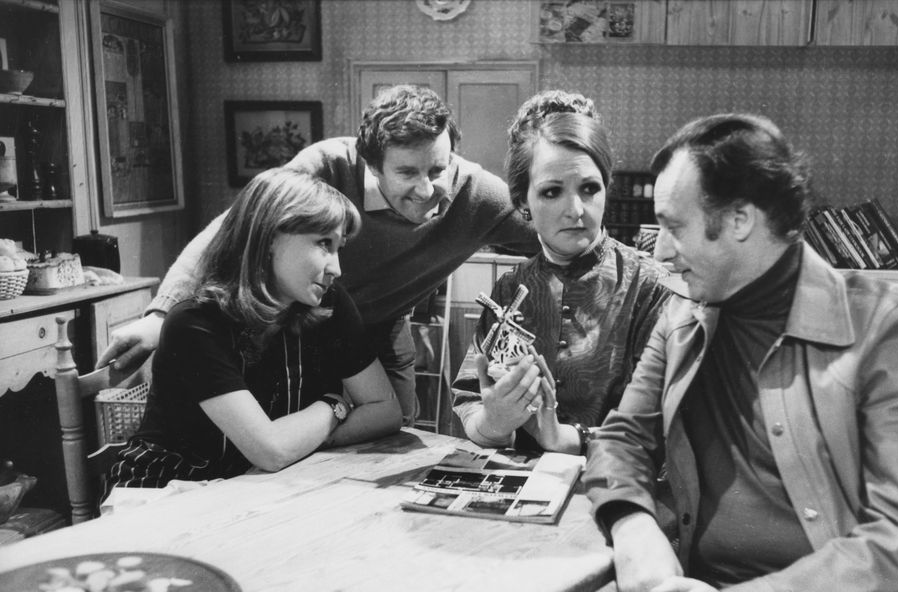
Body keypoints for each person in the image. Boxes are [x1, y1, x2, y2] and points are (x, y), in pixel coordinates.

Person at [544, 114, 898, 592]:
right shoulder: (683, 316)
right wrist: (632, 524)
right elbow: (623, 438)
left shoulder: (889, 332)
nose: (659, 249)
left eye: (673, 226)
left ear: (740, 220)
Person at [96, 85, 537, 426]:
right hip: (299, 326)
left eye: (438, 170)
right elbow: (230, 229)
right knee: (293, 442)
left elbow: (555, 235)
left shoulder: (480, 195)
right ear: (371, 164)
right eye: (407, 172)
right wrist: (161, 313)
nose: (427, 190)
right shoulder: (325, 166)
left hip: (380, 331)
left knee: (394, 430)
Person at [107, 168, 401, 490]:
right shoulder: (195, 322)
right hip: (170, 490)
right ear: (271, 237)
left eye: (338, 248)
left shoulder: (327, 303)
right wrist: (335, 405)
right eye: (323, 244)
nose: (336, 268)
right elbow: (271, 450)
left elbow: (386, 410)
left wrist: (302, 441)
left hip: (262, 484)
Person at [452, 90, 672, 454]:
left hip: (615, 491)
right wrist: (494, 423)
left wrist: (567, 438)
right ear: (523, 201)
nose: (576, 210)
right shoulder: (510, 290)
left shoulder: (649, 287)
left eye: (589, 188)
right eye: (552, 192)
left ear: (607, 189)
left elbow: (668, 426)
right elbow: (471, 401)